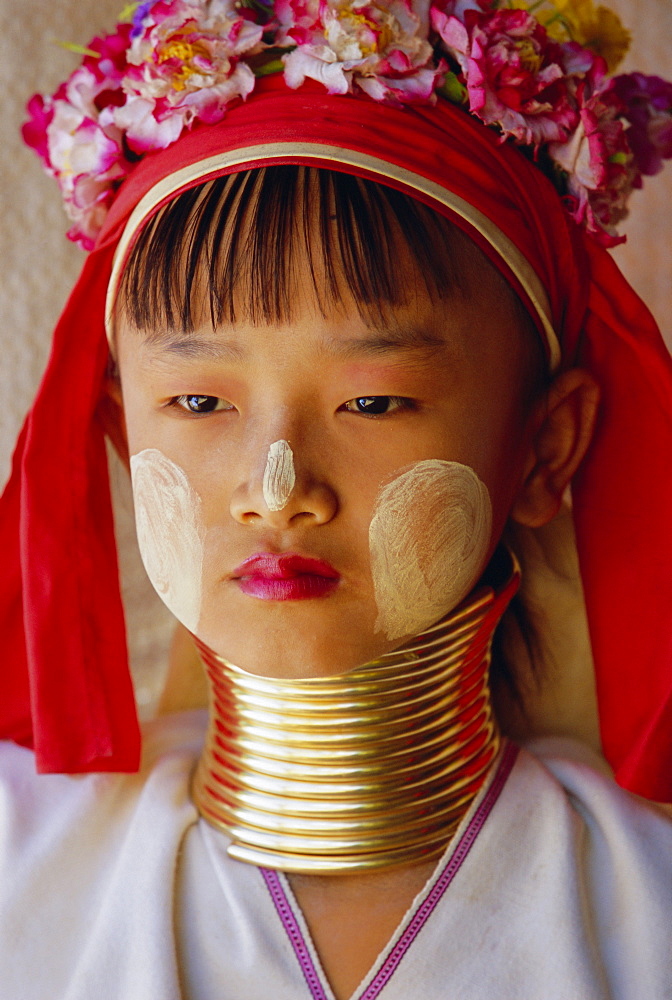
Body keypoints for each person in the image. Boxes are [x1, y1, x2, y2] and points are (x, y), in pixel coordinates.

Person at [1, 2, 671, 997]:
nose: (278, 490)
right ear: (118, 430)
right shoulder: (20, 866)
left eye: (374, 400)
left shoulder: (649, 906)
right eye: (197, 400)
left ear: (545, 445)